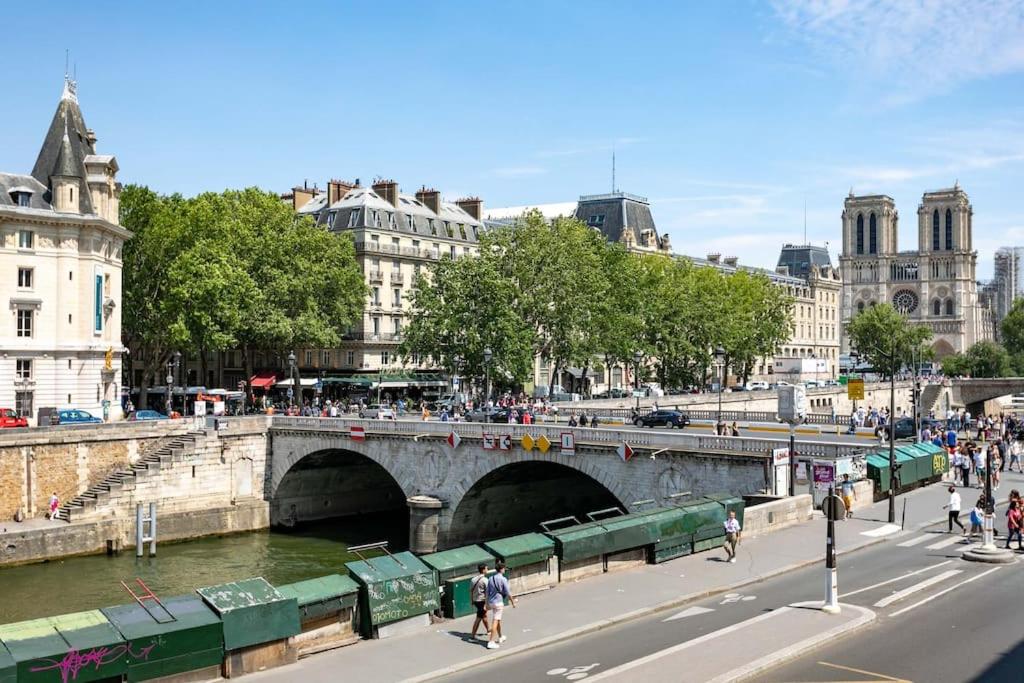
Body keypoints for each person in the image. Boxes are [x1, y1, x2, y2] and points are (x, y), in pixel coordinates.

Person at [485, 561, 516, 650]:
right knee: (495, 620)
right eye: (504, 569)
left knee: (497, 619)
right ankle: (491, 642)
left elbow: (487, 592)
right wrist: (513, 602)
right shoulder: (503, 579)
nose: (504, 571)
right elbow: (508, 592)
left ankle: (500, 636)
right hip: (498, 602)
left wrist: (486, 603)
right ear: (502, 569)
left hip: (491, 602)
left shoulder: (490, 578)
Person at [469, 564, 490, 639]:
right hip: (482, 601)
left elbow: (471, 591)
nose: (487, 570)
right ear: (483, 570)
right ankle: (472, 634)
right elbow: (487, 593)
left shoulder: (473, 579)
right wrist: (486, 604)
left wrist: (471, 600)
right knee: (479, 618)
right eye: (487, 568)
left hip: (476, 601)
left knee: (484, 615)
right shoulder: (485, 580)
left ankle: (488, 630)